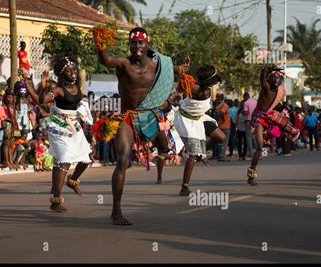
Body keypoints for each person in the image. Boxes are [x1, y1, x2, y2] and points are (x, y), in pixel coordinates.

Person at [94, 27, 173, 225]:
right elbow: (106, 60)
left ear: (147, 44)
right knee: (122, 161)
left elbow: (166, 84)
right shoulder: (123, 64)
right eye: (134, 43)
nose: (137, 46)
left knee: (166, 150)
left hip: (149, 116)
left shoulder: (158, 66)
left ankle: (161, 156)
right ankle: (116, 212)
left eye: (141, 42)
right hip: (128, 118)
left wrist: (165, 102)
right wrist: (100, 42)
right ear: (129, 45)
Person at [21, 56, 92, 213]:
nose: (73, 73)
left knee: (86, 159)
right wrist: (30, 83)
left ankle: (72, 180)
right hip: (59, 127)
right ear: (62, 74)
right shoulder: (58, 90)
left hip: (74, 127)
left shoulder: (78, 88)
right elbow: (41, 101)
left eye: (74, 69)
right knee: (63, 161)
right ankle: (55, 201)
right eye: (68, 70)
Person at [174, 63, 226, 195]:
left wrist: (183, 72)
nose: (215, 83)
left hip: (200, 118)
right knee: (193, 156)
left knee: (221, 137)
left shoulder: (197, 86)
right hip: (187, 120)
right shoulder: (197, 88)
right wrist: (182, 73)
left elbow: (183, 78)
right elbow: (183, 82)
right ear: (209, 81)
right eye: (214, 80)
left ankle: (202, 152)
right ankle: (184, 187)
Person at [247, 66, 300, 185]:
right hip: (259, 118)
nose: (276, 80)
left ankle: (293, 131)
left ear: (281, 81)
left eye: (278, 78)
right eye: (274, 78)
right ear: (269, 79)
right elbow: (262, 80)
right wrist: (264, 70)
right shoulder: (266, 88)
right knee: (259, 147)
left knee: (280, 119)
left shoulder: (279, 92)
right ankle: (251, 174)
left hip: (269, 115)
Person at [215, 94, 231, 162]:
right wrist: (223, 120)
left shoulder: (217, 106)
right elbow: (221, 113)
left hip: (219, 126)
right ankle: (222, 156)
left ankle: (218, 155)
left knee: (219, 142)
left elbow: (216, 114)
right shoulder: (224, 105)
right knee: (225, 142)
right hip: (225, 126)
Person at [242, 92, 257, 159]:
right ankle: (258, 154)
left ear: (245, 97)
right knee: (256, 137)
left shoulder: (246, 103)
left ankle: (251, 154)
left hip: (248, 120)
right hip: (256, 121)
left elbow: (245, 112)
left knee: (249, 138)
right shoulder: (255, 101)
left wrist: (242, 112)